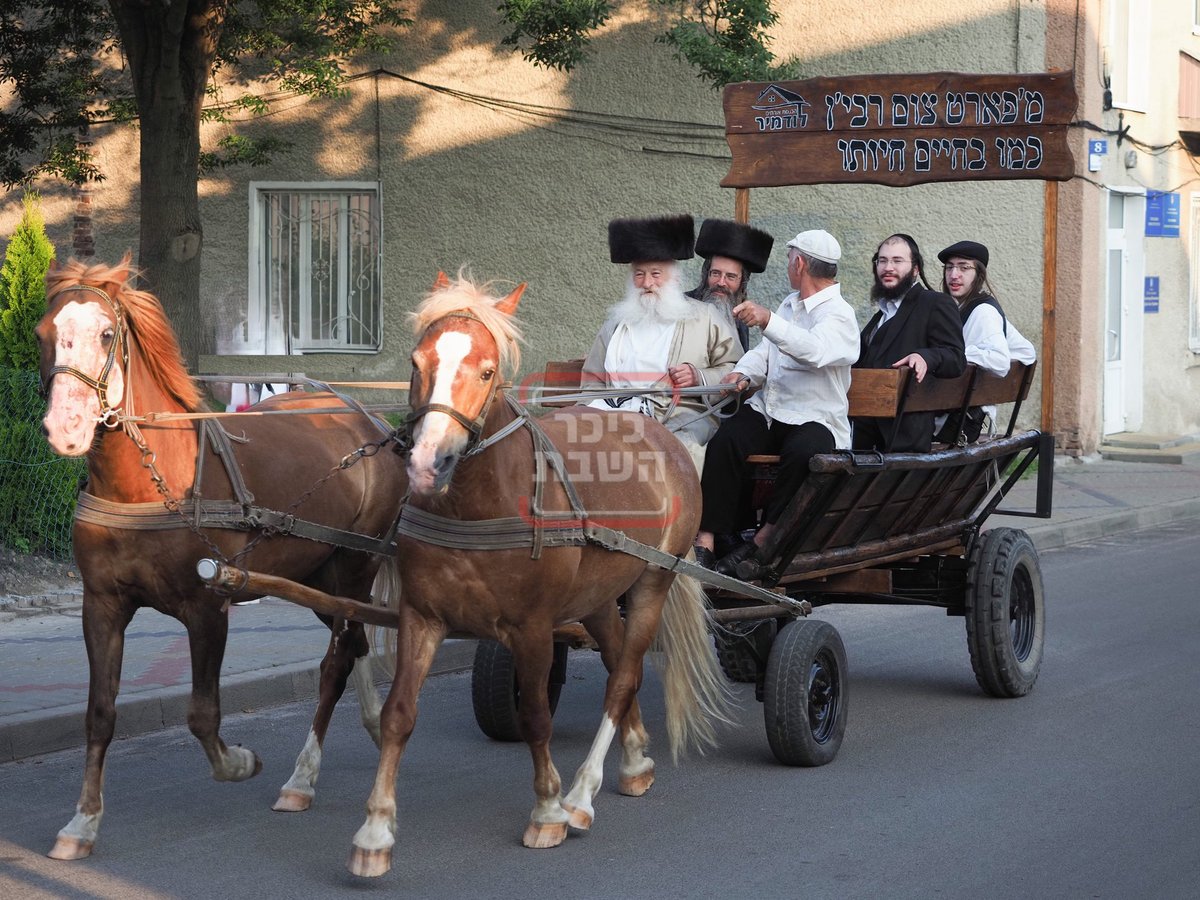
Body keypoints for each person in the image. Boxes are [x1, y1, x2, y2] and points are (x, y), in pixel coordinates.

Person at [692, 229, 860, 574]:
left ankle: (763, 539)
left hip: (816, 416)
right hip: (770, 411)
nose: (787, 267)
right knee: (726, 440)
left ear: (799, 263)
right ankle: (706, 539)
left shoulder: (840, 314)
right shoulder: (789, 303)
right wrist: (742, 376)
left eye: (788, 260)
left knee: (805, 453)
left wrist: (768, 320)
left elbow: (815, 351)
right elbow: (764, 354)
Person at [581, 213, 742, 471]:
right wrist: (589, 413)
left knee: (667, 459)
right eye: (639, 275)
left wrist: (699, 376)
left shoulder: (705, 317)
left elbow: (737, 368)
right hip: (613, 416)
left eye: (656, 274)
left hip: (679, 418)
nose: (647, 283)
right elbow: (592, 381)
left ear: (675, 278)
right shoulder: (615, 324)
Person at [853, 233, 966, 453]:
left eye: (897, 260)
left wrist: (926, 356)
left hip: (903, 436)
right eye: (882, 260)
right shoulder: (882, 313)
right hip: (865, 433)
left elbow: (956, 358)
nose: (888, 267)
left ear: (915, 269)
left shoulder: (935, 303)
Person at [934, 240, 1037, 444]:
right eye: (949, 267)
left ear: (979, 274)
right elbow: (1027, 351)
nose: (954, 275)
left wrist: (952, 354)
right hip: (962, 417)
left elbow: (999, 361)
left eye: (964, 267)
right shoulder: (966, 308)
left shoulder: (983, 312)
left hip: (959, 424)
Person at [686, 218, 775, 352]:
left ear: (742, 282)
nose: (721, 282)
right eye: (715, 273)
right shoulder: (683, 306)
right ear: (706, 274)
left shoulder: (738, 313)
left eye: (730, 277)